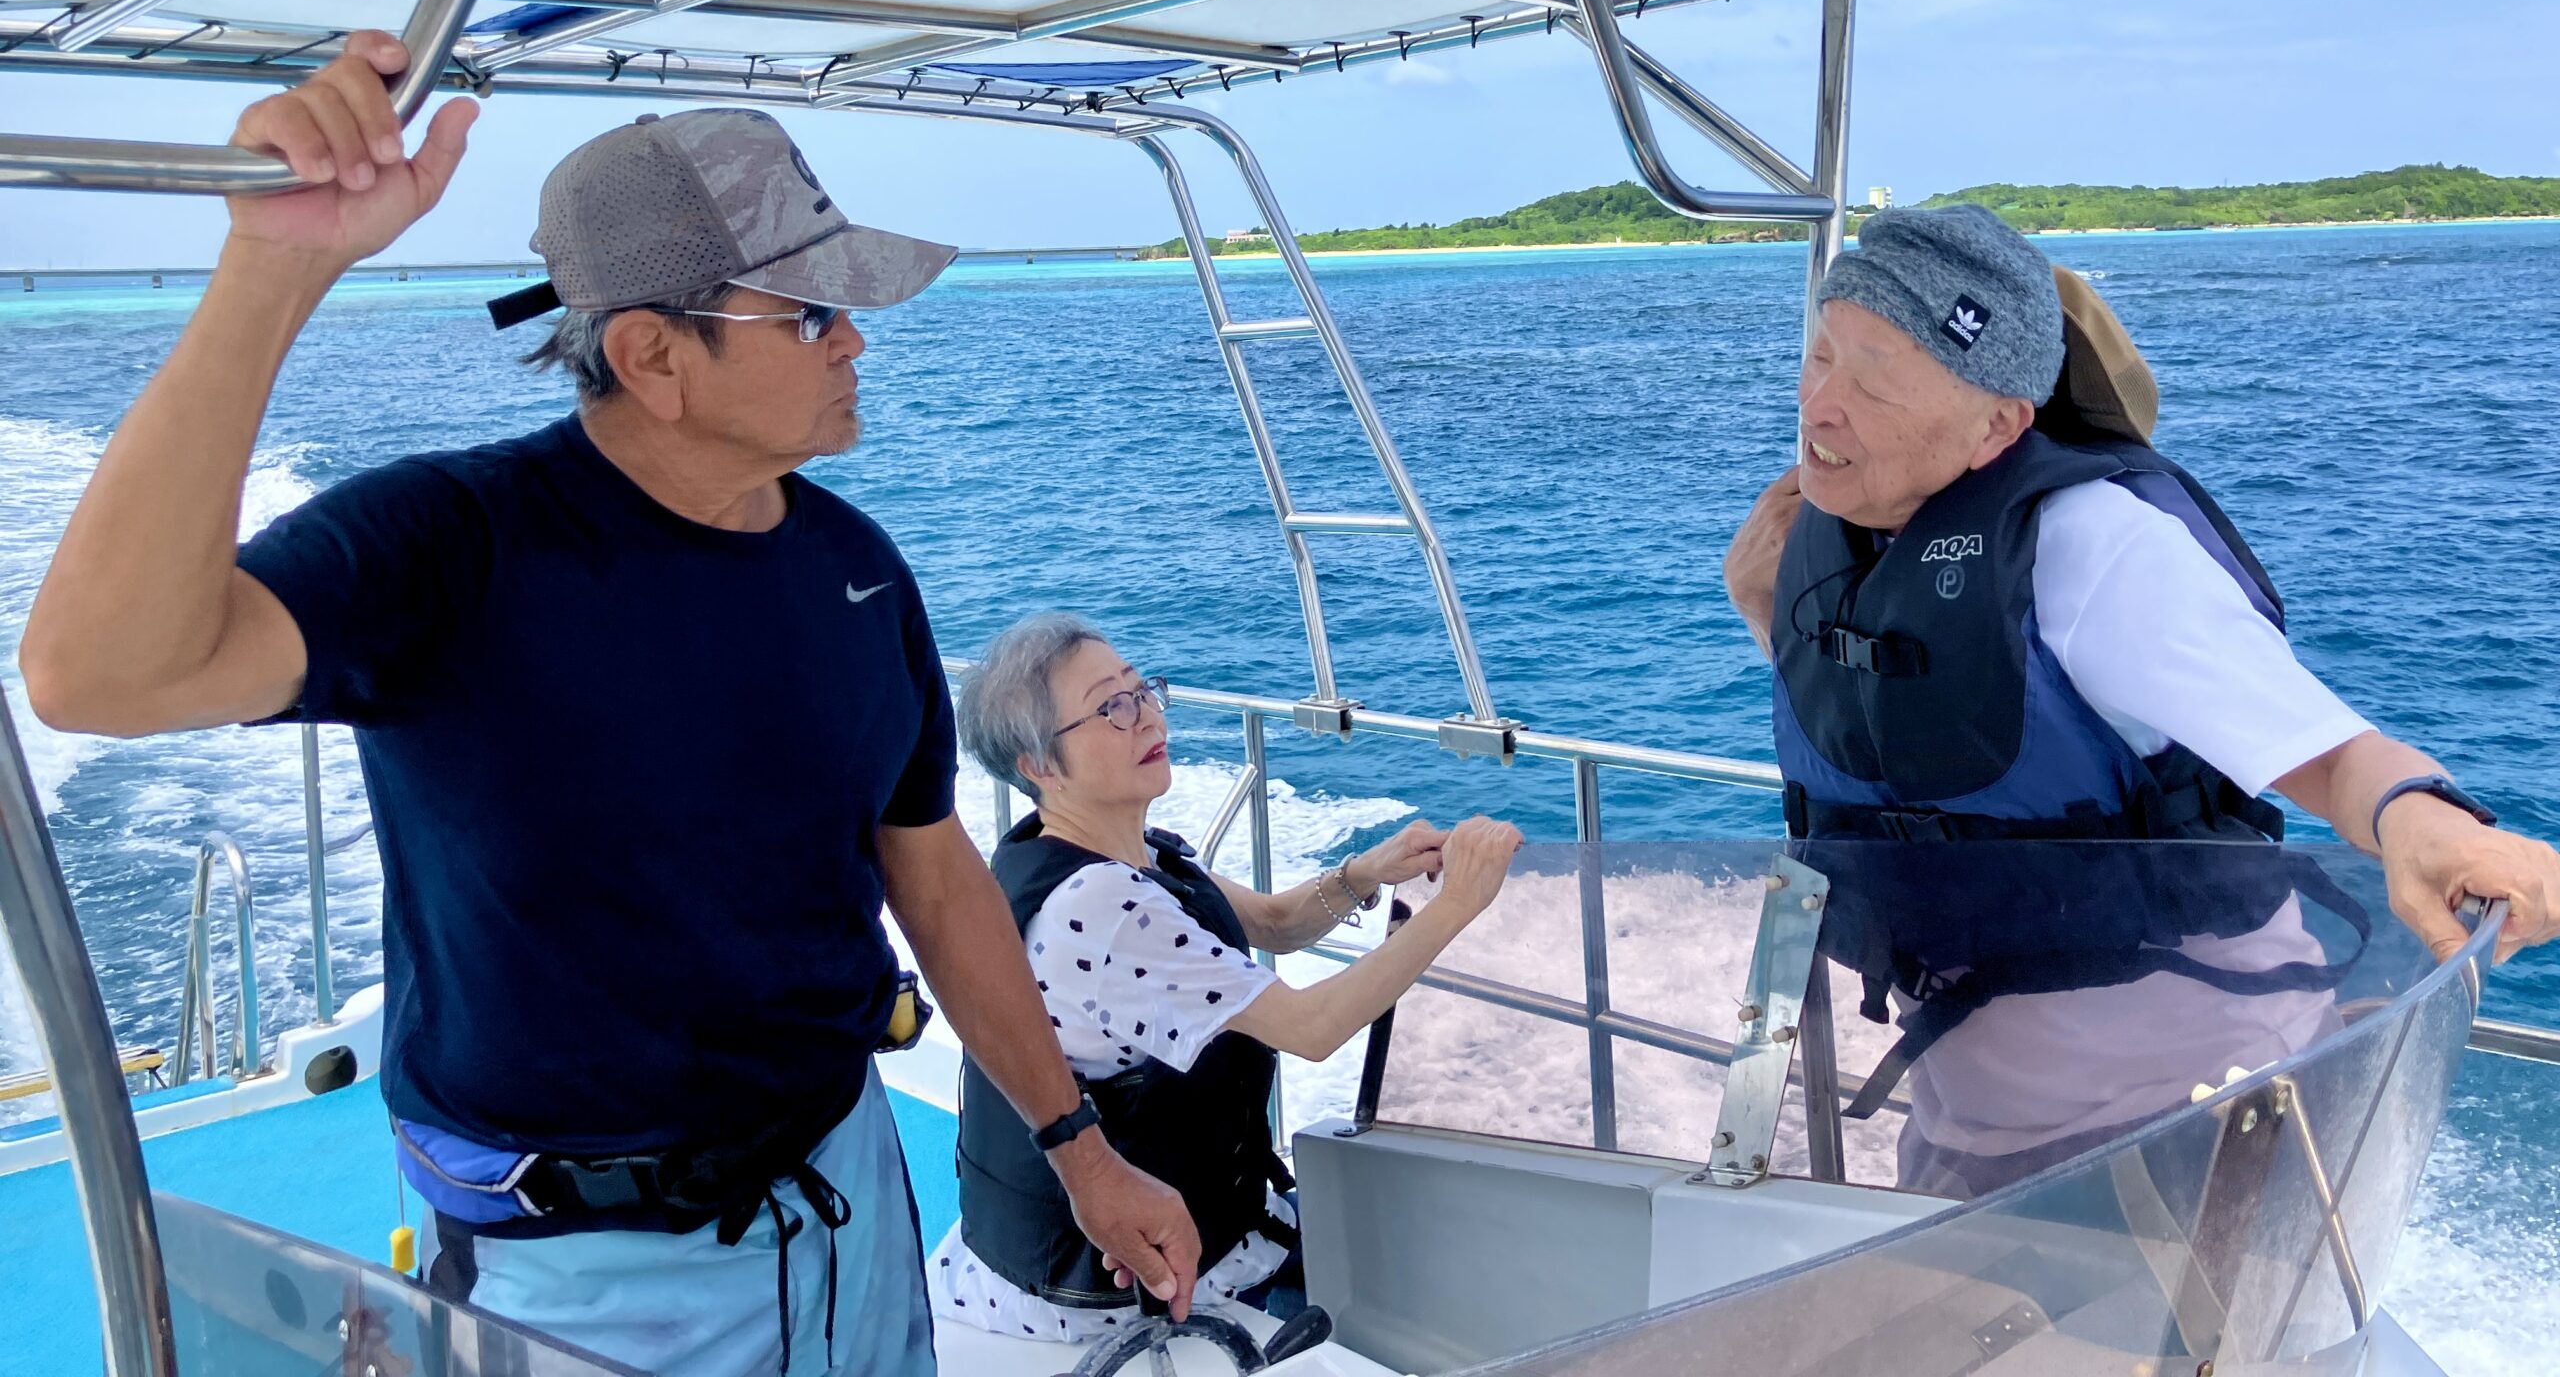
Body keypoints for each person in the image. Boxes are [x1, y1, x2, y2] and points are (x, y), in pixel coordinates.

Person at [20, 35, 1199, 1377]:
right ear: (652, 355)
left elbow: (931, 876)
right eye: (809, 315)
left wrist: (1079, 1151)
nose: (855, 339)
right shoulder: (452, 548)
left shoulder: (857, 570)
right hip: (577, 1274)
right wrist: (271, 270)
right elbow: (96, 674)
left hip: (849, 1195)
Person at [1718, 203, 2560, 963]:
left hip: (2180, 1043)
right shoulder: (1830, 529)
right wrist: (1768, 609)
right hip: (1961, 1039)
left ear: (1998, 426)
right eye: (1819, 355)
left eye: (1873, 385)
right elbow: (1910, 712)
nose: (1817, 405)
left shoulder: (2094, 548)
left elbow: (2337, 760)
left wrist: (2422, 819)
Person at [931, 612, 1523, 1343]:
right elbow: (1312, 1029)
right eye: (1110, 708)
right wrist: (1459, 903)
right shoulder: (1101, 907)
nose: (1147, 716)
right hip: (1138, 1289)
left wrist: (1366, 871)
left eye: (1141, 691)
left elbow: (1272, 922)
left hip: (1159, 1234)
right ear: (1039, 766)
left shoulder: (1101, 854)